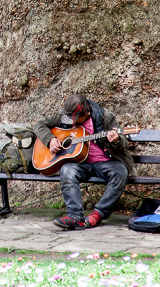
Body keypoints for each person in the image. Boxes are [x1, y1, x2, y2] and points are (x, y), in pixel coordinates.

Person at [34, 94, 136, 230]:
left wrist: (116, 140)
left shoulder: (105, 117)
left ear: (87, 112)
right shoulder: (66, 115)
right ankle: (75, 217)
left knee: (121, 171)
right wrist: (50, 139)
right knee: (66, 170)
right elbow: (39, 125)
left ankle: (98, 214)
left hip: (105, 162)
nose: (72, 122)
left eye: (76, 119)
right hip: (79, 163)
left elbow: (124, 142)